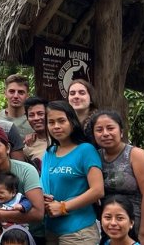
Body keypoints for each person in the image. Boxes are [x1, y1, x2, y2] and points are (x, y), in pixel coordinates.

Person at [89, 111, 144, 245]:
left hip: (141, 222)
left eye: (110, 128)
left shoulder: (136, 155)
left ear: (121, 132)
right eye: (99, 130)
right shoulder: (94, 156)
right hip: (112, 225)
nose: (105, 133)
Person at [39, 101, 102, 245]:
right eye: (51, 122)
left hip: (79, 231)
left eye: (61, 121)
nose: (56, 126)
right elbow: (43, 185)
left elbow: (98, 190)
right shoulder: (49, 153)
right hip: (51, 230)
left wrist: (63, 207)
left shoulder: (85, 150)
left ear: (72, 122)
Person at [0, 174, 32, 240]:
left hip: (22, 230)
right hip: (6, 231)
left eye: (1, 192)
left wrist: (21, 206)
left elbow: (28, 203)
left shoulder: (18, 198)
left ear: (13, 192)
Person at [19, 98, 48, 173]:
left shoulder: (62, 139)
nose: (36, 118)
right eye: (31, 115)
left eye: (40, 114)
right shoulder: (28, 145)